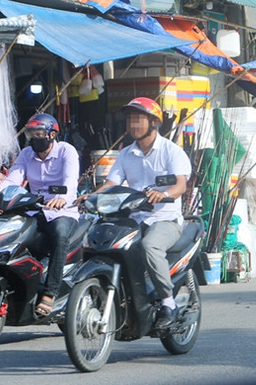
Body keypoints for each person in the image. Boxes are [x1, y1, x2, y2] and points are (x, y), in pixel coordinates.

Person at [82, 97, 191, 330]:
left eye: (138, 119)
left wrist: (164, 194)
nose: (132, 124)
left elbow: (181, 185)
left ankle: (168, 302)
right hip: (133, 219)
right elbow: (112, 182)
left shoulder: (171, 151)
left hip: (166, 219)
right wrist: (90, 196)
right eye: (130, 119)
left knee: (150, 246)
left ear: (154, 122)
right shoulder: (125, 154)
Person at [0, 113, 79, 316]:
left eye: (38, 133)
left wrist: (63, 198)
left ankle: (50, 292)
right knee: (12, 235)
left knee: (60, 235)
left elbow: (70, 182)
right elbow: (13, 180)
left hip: (62, 211)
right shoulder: (26, 154)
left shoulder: (67, 151)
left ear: (52, 134)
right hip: (34, 210)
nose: (34, 138)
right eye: (30, 133)